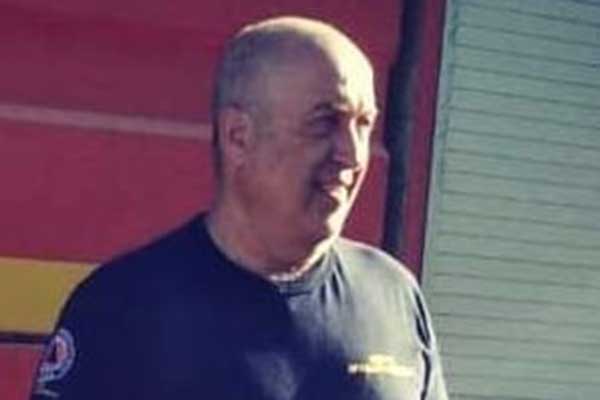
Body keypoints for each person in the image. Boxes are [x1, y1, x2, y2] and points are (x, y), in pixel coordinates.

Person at [30, 16, 448, 400]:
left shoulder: (392, 297)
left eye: (363, 124)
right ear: (238, 136)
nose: (353, 154)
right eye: (325, 123)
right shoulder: (122, 308)